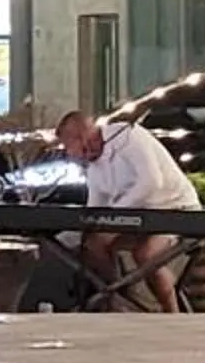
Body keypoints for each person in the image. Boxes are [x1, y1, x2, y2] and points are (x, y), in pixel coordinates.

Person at [54, 107, 195, 312]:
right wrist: (77, 228)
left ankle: (171, 311)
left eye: (69, 145)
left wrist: (117, 212)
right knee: (95, 243)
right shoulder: (94, 165)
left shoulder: (130, 138)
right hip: (136, 216)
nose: (69, 152)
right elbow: (96, 205)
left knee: (146, 254)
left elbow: (151, 182)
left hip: (174, 208)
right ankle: (115, 299)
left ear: (82, 137)